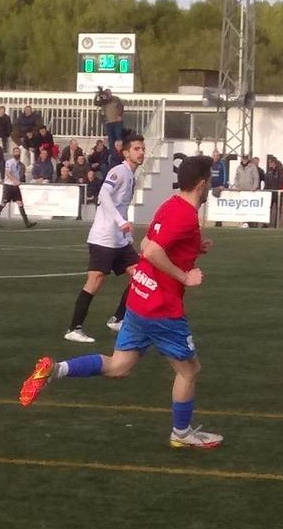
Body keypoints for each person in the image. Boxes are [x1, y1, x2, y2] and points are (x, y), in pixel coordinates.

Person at [20, 155, 222, 450]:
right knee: (189, 371)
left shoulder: (171, 204)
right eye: (211, 182)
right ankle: (181, 433)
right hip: (161, 308)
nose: (211, 187)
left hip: (139, 300)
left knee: (119, 366)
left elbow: (146, 244)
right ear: (202, 184)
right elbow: (151, 251)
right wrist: (185, 276)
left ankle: (55, 370)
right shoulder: (186, 214)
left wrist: (194, 249)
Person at [64, 132, 146, 343]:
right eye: (136, 149)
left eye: (142, 148)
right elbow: (103, 196)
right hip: (103, 238)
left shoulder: (132, 175)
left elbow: (119, 206)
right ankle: (74, 328)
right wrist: (121, 223)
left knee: (141, 276)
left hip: (119, 240)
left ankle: (117, 319)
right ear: (126, 153)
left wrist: (125, 232)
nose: (141, 152)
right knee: (95, 281)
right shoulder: (119, 171)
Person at [0, 147, 36, 229]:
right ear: (13, 153)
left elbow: (21, 175)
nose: (17, 153)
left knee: (20, 203)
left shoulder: (21, 165)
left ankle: (27, 223)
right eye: (15, 151)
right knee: (3, 203)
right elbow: (7, 173)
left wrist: (20, 180)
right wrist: (15, 180)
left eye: (18, 152)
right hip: (8, 185)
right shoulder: (9, 162)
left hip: (15, 186)